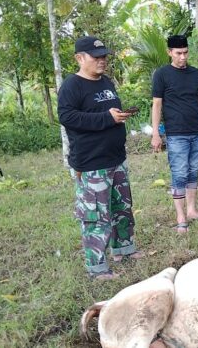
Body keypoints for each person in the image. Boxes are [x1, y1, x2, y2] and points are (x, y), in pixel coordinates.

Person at [58, 36, 144, 280]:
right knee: (96, 217)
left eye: (104, 56)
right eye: (96, 57)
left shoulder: (105, 82)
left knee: (122, 209)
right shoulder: (71, 86)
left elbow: (108, 110)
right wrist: (107, 118)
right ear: (79, 58)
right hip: (92, 164)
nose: (102, 61)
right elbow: (68, 118)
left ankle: (124, 249)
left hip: (116, 159)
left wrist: (118, 115)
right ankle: (96, 268)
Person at [151, 35, 198, 233]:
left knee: (193, 171)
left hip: (197, 131)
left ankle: (191, 210)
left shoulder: (194, 73)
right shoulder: (162, 75)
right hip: (176, 134)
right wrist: (156, 133)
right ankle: (180, 216)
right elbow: (157, 105)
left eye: (185, 52)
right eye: (178, 53)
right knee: (179, 173)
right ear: (169, 52)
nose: (183, 57)